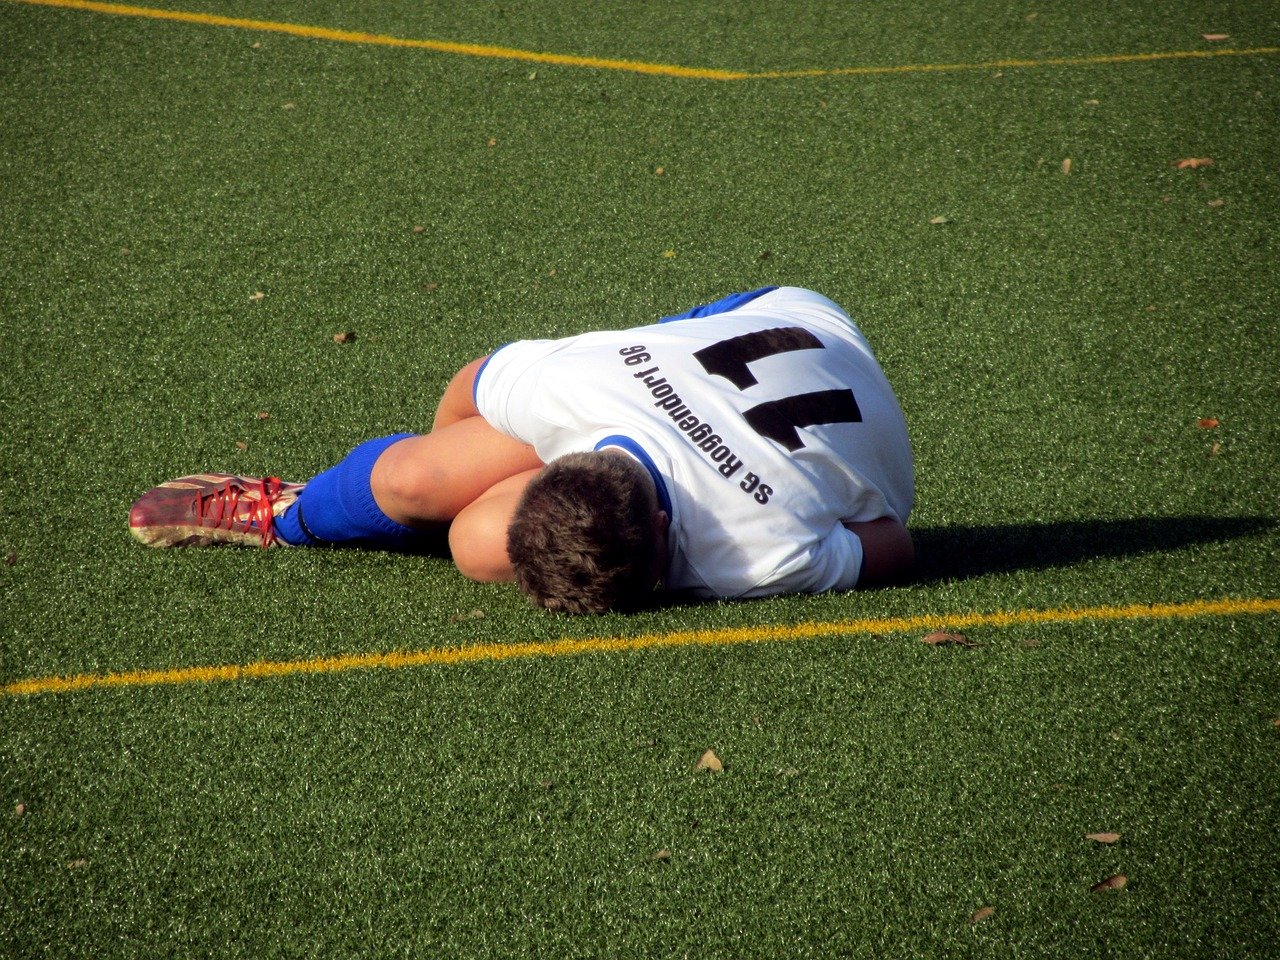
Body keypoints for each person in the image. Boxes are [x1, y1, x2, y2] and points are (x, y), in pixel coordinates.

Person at [129, 286, 915, 612]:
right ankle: (293, 511)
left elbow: (893, 542)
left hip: (810, 338)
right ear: (555, 457)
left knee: (475, 544)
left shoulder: (757, 556)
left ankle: (354, 510)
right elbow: (471, 386)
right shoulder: (565, 384)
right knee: (414, 477)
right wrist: (448, 470)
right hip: (781, 317)